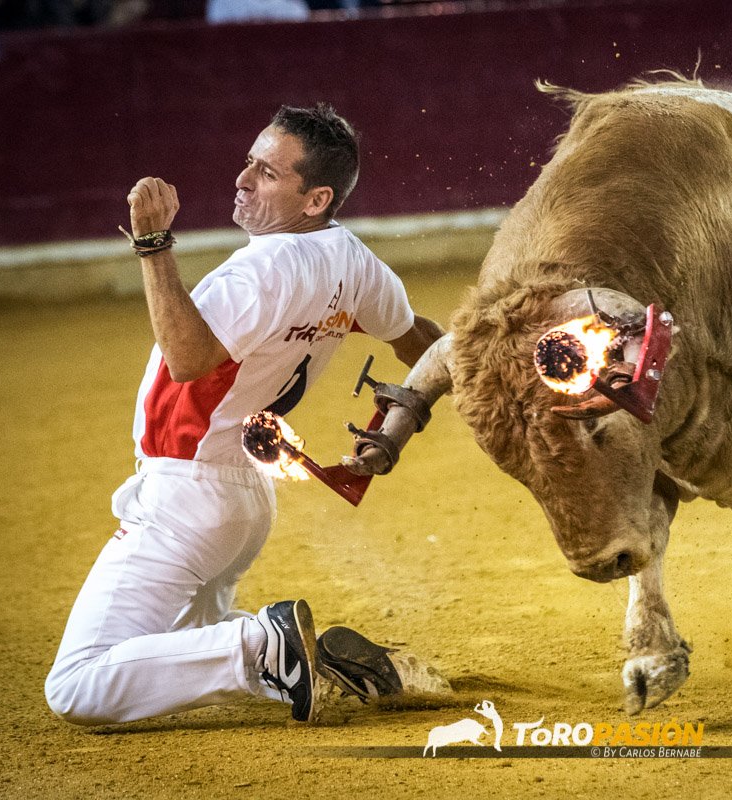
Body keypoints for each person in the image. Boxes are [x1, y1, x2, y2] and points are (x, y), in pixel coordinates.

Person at [44, 103, 446, 726]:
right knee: (172, 647)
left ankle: (263, 646)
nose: (242, 180)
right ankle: (319, 665)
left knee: (77, 685)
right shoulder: (355, 263)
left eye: (265, 172)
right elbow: (421, 341)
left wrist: (153, 243)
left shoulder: (262, 269)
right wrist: (469, 385)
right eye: (248, 163)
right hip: (244, 498)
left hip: (188, 492)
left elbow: (188, 358)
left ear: (315, 199)